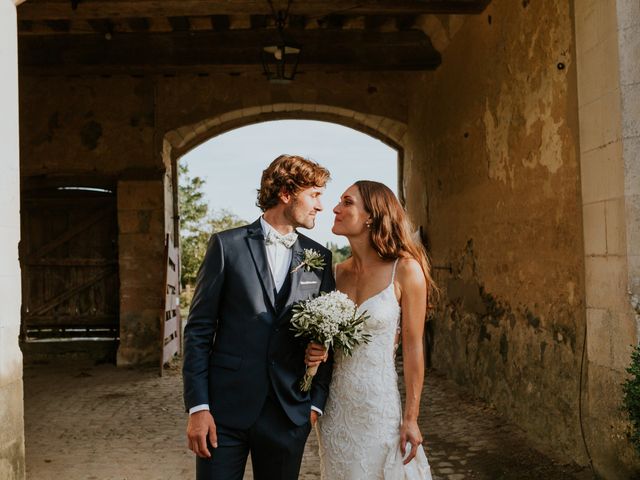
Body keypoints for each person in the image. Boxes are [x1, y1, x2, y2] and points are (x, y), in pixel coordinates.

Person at [182, 154, 335, 480]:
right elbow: (198, 330)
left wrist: (314, 404)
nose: (320, 206)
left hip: (287, 414)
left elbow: (328, 332)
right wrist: (198, 407)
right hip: (224, 412)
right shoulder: (227, 246)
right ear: (286, 193)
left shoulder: (319, 258)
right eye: (314, 194)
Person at [307, 180, 435, 479]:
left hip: (378, 408)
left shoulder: (405, 270)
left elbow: (414, 348)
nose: (335, 208)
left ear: (371, 216)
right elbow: (322, 339)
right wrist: (316, 350)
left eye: (347, 202)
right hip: (335, 408)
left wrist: (411, 418)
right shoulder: (334, 273)